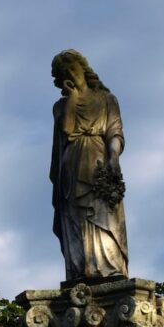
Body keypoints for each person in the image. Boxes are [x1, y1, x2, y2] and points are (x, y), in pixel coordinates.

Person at [50, 49, 128, 281]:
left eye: (73, 69)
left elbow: (115, 132)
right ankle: (79, 269)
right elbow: (67, 129)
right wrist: (72, 98)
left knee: (103, 215)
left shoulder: (107, 100)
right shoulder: (61, 106)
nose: (71, 75)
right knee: (76, 216)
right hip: (72, 164)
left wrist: (113, 157)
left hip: (98, 162)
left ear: (83, 69)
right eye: (65, 73)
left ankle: (107, 267)